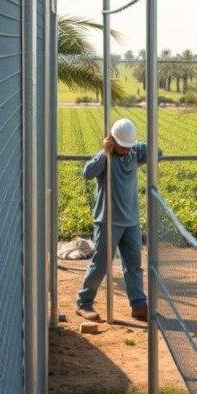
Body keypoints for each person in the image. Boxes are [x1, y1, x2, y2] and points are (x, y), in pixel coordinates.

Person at [75, 117, 154, 323]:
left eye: (129, 146)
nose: (126, 150)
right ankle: (84, 302)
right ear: (113, 142)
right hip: (107, 221)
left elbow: (154, 150)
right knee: (100, 264)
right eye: (122, 146)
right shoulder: (106, 158)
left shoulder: (135, 152)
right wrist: (105, 153)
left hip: (131, 222)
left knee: (134, 264)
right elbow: (87, 173)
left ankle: (138, 305)